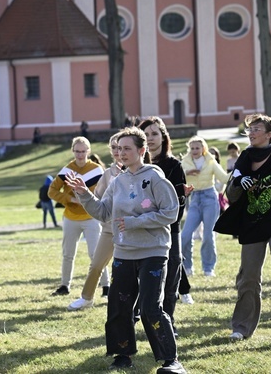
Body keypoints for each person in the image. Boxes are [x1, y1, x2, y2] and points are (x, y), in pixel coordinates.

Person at [65, 127, 186, 374]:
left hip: (153, 251)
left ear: (142, 151)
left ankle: (171, 361)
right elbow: (103, 212)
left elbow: (170, 213)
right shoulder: (118, 181)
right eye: (119, 149)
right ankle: (122, 355)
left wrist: (134, 222)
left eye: (127, 148)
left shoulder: (155, 177)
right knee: (119, 305)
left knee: (151, 308)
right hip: (123, 252)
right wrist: (85, 194)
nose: (121, 153)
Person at [215, 114, 271, 340]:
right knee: (248, 278)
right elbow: (231, 197)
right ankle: (241, 328)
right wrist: (238, 181)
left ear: (269, 134)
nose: (252, 132)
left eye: (257, 128)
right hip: (251, 224)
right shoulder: (243, 160)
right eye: (250, 129)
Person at [140, 117, 189, 332]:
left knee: (171, 277)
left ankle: (168, 322)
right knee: (141, 281)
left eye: (154, 134)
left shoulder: (174, 166)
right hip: (139, 230)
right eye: (146, 134)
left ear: (163, 137)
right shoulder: (134, 167)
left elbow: (177, 203)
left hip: (169, 230)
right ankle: (144, 320)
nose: (150, 139)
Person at [67, 133, 122, 311]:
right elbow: (97, 201)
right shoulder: (107, 174)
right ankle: (87, 298)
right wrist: (82, 193)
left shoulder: (138, 171)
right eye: (114, 148)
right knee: (96, 264)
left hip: (132, 228)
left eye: (121, 147)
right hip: (109, 228)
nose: (118, 151)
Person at [47, 136, 106, 296]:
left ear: (89, 151)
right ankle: (64, 286)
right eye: (77, 151)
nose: (80, 155)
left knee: (96, 253)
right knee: (68, 254)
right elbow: (51, 191)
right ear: (72, 151)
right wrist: (70, 199)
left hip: (92, 217)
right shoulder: (67, 170)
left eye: (83, 151)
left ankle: (106, 286)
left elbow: (105, 192)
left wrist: (92, 201)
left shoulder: (96, 170)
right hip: (71, 217)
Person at [180, 135, 229, 277]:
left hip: (210, 198)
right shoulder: (185, 161)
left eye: (197, 148)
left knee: (208, 235)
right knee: (185, 235)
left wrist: (239, 171)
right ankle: (187, 267)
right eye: (192, 148)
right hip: (194, 199)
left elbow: (224, 178)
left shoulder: (211, 161)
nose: (195, 150)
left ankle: (208, 268)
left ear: (203, 148)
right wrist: (186, 173)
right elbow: (178, 177)